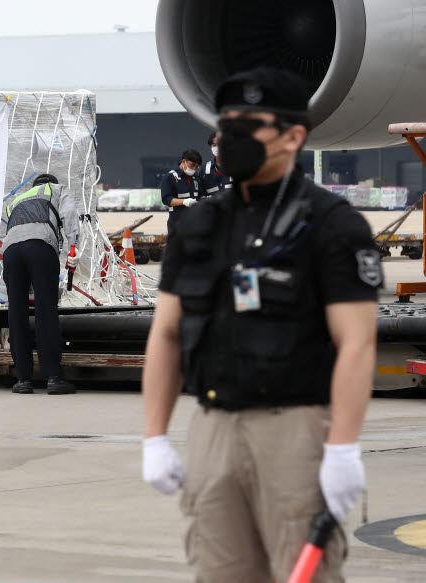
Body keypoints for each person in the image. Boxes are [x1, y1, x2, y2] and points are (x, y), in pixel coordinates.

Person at [141, 67, 380, 583]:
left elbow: (357, 342)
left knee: (303, 571)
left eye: (252, 124)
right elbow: (164, 333)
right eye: (228, 124)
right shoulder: (201, 223)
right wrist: (154, 437)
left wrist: (342, 446)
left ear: (294, 135)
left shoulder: (332, 225)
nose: (234, 137)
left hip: (294, 427)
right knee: (220, 570)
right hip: (213, 427)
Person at [2, 173, 80, 395]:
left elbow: (10, 228)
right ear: (51, 183)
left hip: (11, 250)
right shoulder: (57, 189)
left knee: (16, 312)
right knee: (45, 309)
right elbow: (69, 215)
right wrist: (73, 249)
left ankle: (23, 380)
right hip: (40, 245)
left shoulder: (17, 199)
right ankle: (54, 378)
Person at [160, 149, 203, 236]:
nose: (194, 169)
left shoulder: (196, 178)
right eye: (192, 165)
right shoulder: (170, 177)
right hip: (177, 223)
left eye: (197, 167)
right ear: (184, 161)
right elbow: (166, 199)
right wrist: (184, 201)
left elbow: (200, 195)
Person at [201, 131, 233, 197]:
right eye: (214, 145)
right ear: (211, 148)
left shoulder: (238, 166)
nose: (217, 147)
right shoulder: (204, 170)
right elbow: (201, 195)